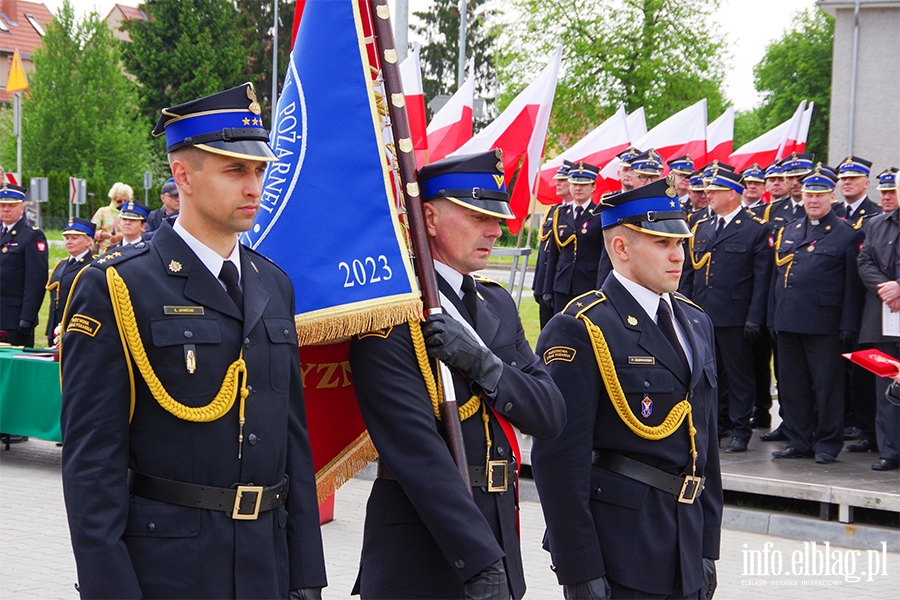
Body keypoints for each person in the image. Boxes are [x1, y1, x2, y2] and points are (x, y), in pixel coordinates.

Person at [59, 83, 327, 598]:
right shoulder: (117, 285)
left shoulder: (273, 283)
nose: (254, 187)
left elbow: (292, 440)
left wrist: (306, 577)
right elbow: (92, 464)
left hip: (265, 564)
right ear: (182, 175)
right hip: (171, 568)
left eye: (258, 171)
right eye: (235, 170)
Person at [348, 151, 566, 600]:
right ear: (428, 218)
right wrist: (481, 559)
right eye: (477, 215)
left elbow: (550, 414)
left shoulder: (496, 305)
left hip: (498, 535)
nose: (495, 228)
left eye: (497, 216)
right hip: (420, 554)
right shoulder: (392, 312)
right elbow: (416, 453)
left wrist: (484, 364)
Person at [534, 177, 722, 599]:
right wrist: (578, 568)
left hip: (686, 540)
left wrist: (708, 544)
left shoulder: (695, 321)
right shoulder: (583, 326)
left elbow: (705, 445)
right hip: (620, 545)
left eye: (681, 242)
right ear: (621, 248)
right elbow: (560, 459)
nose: (679, 256)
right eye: (662, 244)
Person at [769, 165, 865, 463]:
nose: (813, 200)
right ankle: (798, 439)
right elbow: (778, 278)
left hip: (824, 324)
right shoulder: (791, 229)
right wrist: (773, 317)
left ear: (831, 196)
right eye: (810, 194)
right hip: (788, 321)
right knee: (792, 385)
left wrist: (849, 325)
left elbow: (852, 286)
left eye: (820, 195)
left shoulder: (845, 234)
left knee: (827, 388)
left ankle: (827, 443)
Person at [683, 169, 772, 452]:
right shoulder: (701, 226)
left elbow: (761, 281)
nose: (707, 195)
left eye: (714, 191)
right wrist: (683, 306)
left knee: (739, 375)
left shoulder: (755, 228)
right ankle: (717, 423)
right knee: (710, 373)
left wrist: (754, 318)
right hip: (703, 312)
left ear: (732, 193)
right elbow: (689, 272)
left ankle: (740, 428)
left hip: (736, 315)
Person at [856, 166, 900, 470]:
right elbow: (865, 260)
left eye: (892, 190)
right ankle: (890, 450)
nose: (888, 196)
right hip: (883, 318)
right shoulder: (877, 224)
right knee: (886, 386)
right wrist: (886, 289)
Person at [549, 161, 606, 313]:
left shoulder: (600, 214)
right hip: (562, 283)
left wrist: (601, 288)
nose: (578, 188)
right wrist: (547, 287)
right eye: (574, 184)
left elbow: (604, 256)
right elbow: (553, 254)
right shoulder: (560, 213)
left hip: (588, 283)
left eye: (584, 185)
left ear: (593, 187)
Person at [0, 182, 48, 347]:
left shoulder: (31, 236)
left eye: (11, 205)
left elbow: (36, 280)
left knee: (13, 368)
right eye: (2, 205)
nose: (6, 209)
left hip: (14, 318)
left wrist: (27, 317)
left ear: (22, 208)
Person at [535, 160, 574, 328]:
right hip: (545, 281)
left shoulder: (580, 215)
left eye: (563, 179)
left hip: (564, 284)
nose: (557, 183)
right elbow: (544, 251)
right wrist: (539, 284)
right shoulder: (552, 211)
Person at [46, 218, 95, 345]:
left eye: (74, 238)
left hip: (78, 328)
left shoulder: (92, 266)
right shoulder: (61, 265)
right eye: (67, 238)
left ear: (88, 241)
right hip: (56, 327)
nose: (69, 242)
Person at [834, 155, 881, 229]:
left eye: (853, 178)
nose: (847, 182)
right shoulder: (832, 211)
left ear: (866, 183)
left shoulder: (878, 213)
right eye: (843, 178)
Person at [92, 182, 132, 253]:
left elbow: (140, 232)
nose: (122, 204)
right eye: (119, 201)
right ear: (112, 199)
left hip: (126, 252)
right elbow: (89, 232)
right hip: (105, 253)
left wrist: (122, 236)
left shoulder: (132, 214)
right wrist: (104, 234)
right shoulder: (103, 211)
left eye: (126, 201)